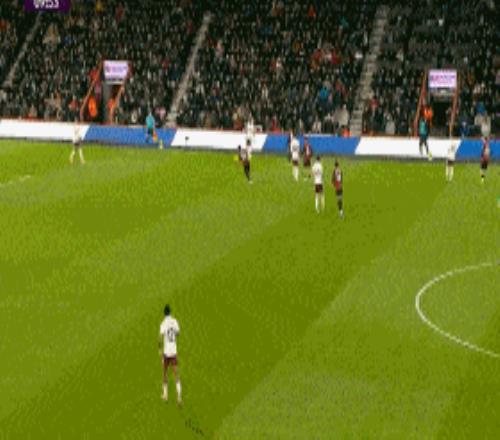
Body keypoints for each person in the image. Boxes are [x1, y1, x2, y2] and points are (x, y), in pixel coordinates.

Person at [158, 304, 182, 404]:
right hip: (174, 351)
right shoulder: (174, 321)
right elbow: (178, 333)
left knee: (164, 373)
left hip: (166, 352)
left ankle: (165, 395)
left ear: (164, 313)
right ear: (170, 312)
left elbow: (160, 337)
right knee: (176, 374)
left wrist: (159, 349)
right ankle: (179, 397)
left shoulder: (163, 324)